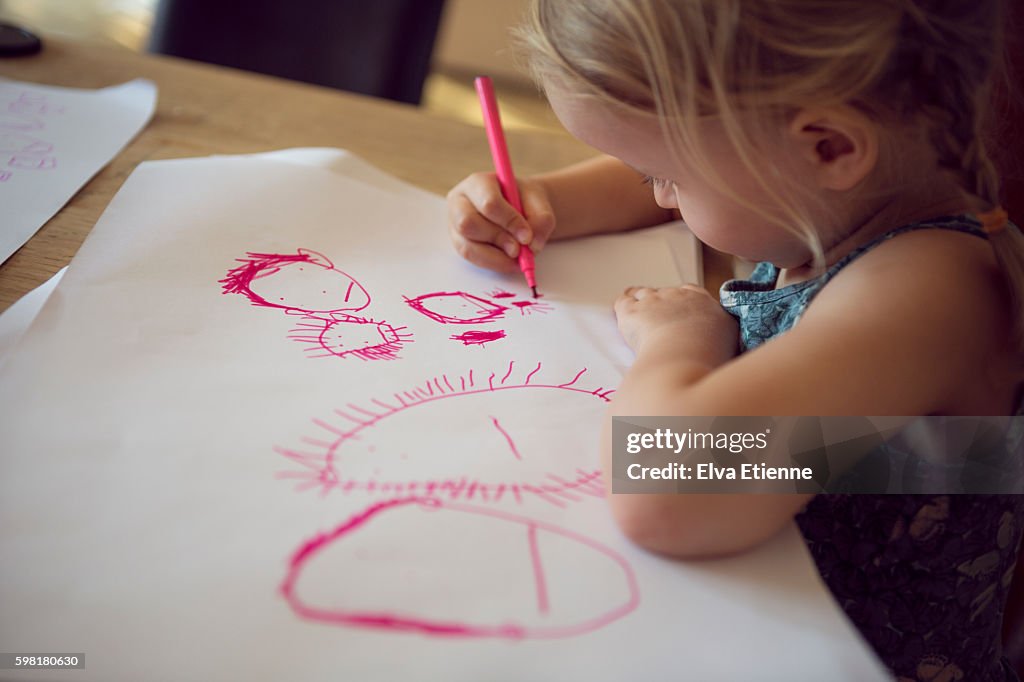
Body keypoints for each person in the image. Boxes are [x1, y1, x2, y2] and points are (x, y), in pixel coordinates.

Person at [446, 1, 1024, 679]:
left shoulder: (928, 293)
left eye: (664, 175)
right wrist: (540, 201)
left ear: (829, 146)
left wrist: (678, 342)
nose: (659, 196)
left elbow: (668, 490)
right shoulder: (840, 190)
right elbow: (720, 168)